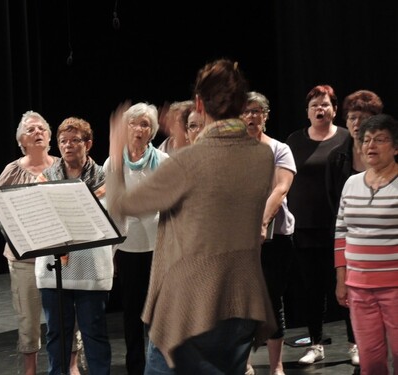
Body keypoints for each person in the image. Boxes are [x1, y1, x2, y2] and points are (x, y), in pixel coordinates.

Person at [107, 58, 276, 374]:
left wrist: (117, 148)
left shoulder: (188, 163)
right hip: (242, 298)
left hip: (191, 306)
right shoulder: (263, 155)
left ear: (200, 102)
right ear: (242, 103)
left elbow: (122, 203)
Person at [35, 116, 113, 375]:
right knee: (57, 335)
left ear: (88, 144)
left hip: (91, 268)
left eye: (75, 141)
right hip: (53, 270)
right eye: (63, 141)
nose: (68, 146)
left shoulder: (105, 180)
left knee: (94, 333)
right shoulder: (45, 179)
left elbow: (112, 223)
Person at [285, 85, 350, 365]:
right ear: (307, 111)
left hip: (339, 226)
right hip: (305, 228)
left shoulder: (346, 139)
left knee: (346, 288)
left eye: (324, 105)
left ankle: (353, 344)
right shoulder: (294, 140)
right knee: (312, 290)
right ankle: (315, 344)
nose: (319, 110)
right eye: (314, 106)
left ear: (334, 109)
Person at [103, 102, 169, 375]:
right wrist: (112, 250)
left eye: (145, 124)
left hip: (158, 246)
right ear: (125, 128)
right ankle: (135, 367)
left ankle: (158, 367)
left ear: (152, 131)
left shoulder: (163, 162)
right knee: (131, 313)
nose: (139, 129)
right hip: (129, 246)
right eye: (133, 123)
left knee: (158, 313)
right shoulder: (114, 163)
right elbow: (114, 207)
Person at [0, 111, 61, 375]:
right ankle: (30, 369)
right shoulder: (12, 171)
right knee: (28, 317)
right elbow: (0, 211)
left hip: (60, 254)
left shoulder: (62, 166)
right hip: (23, 256)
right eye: (31, 130)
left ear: (49, 136)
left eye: (42, 129)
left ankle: (69, 365)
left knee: (64, 314)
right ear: (22, 140)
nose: (37, 133)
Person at [334, 113, 398, 374]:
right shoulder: (351, 184)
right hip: (359, 289)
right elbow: (341, 233)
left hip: (395, 287)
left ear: (395, 147)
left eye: (380, 139)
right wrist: (341, 279)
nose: (371, 145)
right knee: (370, 361)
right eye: (367, 140)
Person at [325, 89, 383, 366]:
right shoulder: (337, 158)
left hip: (385, 247)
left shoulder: (388, 159)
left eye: (363, 117)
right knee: (353, 297)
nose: (357, 123)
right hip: (353, 242)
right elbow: (335, 206)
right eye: (352, 117)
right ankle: (355, 345)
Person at [242, 92, 296, 375]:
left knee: (272, 299)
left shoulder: (279, 149)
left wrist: (261, 223)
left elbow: (281, 188)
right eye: (246, 111)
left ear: (266, 115)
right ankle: (245, 362)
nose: (251, 117)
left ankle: (276, 365)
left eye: (257, 111)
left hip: (275, 237)